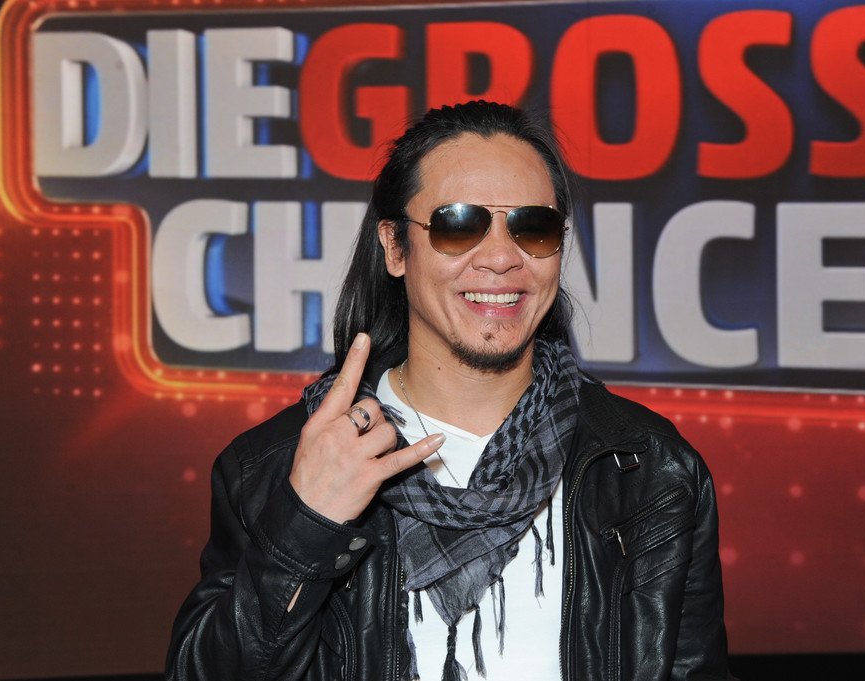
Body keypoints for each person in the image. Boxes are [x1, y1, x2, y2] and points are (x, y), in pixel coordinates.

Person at [166, 100, 736, 681]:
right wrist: (307, 524)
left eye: (533, 226)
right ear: (395, 247)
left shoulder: (650, 470)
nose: (502, 258)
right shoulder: (274, 468)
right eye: (458, 224)